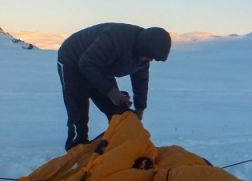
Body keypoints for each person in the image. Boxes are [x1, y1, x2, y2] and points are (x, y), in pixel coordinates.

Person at [57, 22, 171, 150]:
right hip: (72, 59)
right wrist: (112, 92)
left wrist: (140, 109)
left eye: (153, 58)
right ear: (143, 48)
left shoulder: (143, 57)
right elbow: (86, 64)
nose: (150, 60)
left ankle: (113, 145)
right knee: (78, 109)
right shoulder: (116, 40)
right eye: (150, 57)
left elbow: (141, 81)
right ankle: (76, 147)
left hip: (99, 66)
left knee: (119, 110)